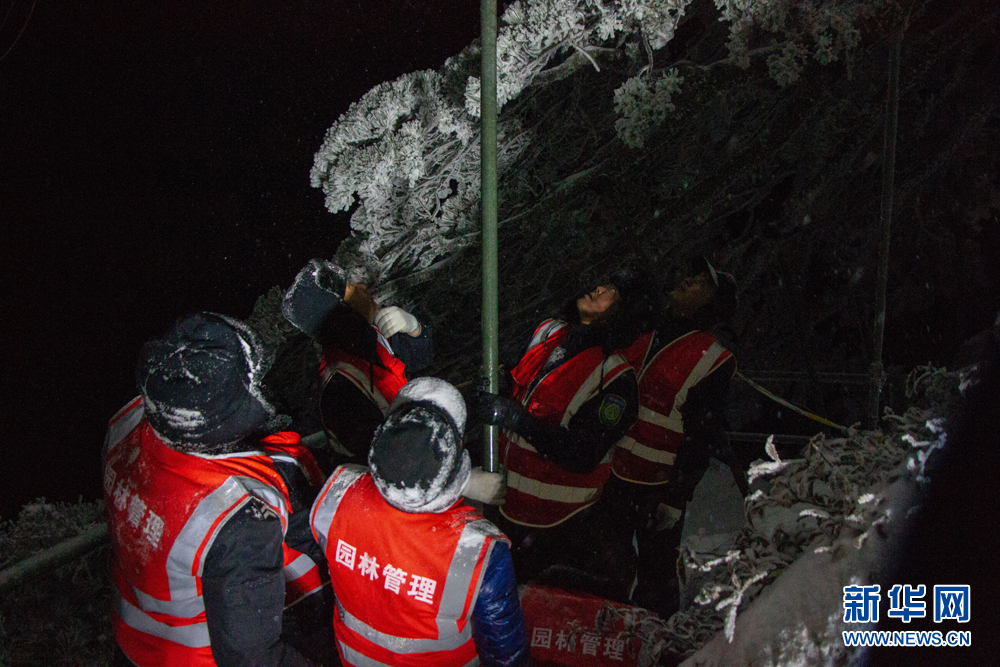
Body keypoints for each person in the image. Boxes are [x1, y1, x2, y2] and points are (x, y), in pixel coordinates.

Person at [104, 312, 318, 667]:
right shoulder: (238, 513)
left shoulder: (125, 422)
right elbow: (250, 658)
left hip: (130, 638)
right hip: (194, 657)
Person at [310, 377, 530, 667]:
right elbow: (505, 655)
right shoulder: (478, 551)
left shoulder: (336, 493)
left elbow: (387, 477)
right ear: (455, 452)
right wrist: (462, 482)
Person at [474, 272, 644, 601]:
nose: (596, 288)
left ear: (622, 311)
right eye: (600, 281)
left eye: (610, 291)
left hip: (559, 526)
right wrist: (496, 388)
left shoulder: (615, 378)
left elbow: (582, 453)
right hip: (507, 508)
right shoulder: (550, 333)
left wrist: (516, 419)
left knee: (532, 609)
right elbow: (519, 381)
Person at [605, 256, 744, 616]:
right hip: (615, 474)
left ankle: (654, 636)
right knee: (607, 562)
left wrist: (676, 496)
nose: (687, 280)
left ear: (713, 303)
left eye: (700, 282)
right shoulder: (648, 334)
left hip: (657, 485)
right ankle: (609, 630)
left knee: (656, 574)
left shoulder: (711, 359)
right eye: (691, 273)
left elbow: (701, 435)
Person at [282, 259, 432, 466]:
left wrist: (413, 328)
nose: (362, 287)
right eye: (351, 288)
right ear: (342, 312)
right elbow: (392, 462)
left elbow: (420, 360)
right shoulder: (340, 388)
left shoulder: (370, 338)